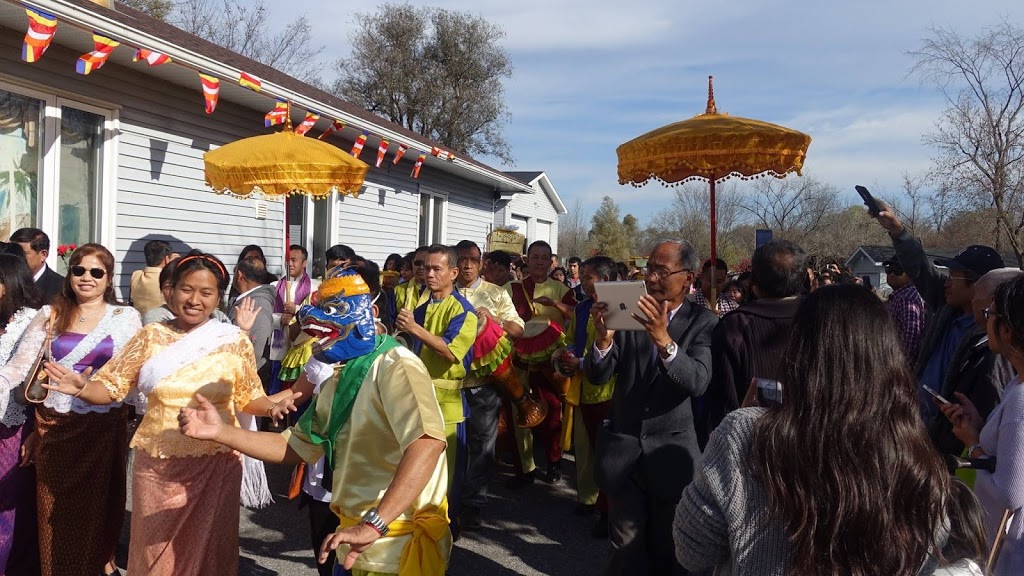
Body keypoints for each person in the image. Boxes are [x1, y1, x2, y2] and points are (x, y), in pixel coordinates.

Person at [675, 284, 985, 576]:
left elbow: (692, 550)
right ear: (888, 357)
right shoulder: (907, 443)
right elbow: (930, 548)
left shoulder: (744, 434)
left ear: (800, 350)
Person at [180, 267, 451, 576]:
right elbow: (296, 445)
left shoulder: (396, 365)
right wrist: (220, 431)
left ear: (372, 312)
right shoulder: (340, 373)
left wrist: (374, 524)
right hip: (353, 539)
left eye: (333, 309)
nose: (312, 318)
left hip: (395, 548)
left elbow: (427, 443)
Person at [42, 251, 296, 575]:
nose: (195, 300)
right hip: (159, 465)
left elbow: (248, 397)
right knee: (156, 556)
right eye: (187, 289)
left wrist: (273, 406)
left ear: (219, 297)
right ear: (171, 291)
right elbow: (111, 387)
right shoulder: (150, 336)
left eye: (206, 293)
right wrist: (82, 387)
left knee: (211, 554)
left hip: (217, 462)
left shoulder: (233, 341)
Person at [0, 244, 141, 576]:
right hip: (54, 429)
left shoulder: (126, 318)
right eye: (79, 270)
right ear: (70, 274)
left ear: (108, 279)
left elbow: (133, 372)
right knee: (53, 517)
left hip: (102, 429)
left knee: (97, 514)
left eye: (97, 272)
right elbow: (21, 366)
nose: (86, 277)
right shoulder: (50, 313)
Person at [586, 240, 717, 576]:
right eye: (649, 269)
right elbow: (599, 375)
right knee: (625, 548)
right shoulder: (629, 309)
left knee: (669, 548)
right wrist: (602, 342)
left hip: (671, 454)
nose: (652, 277)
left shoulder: (702, 322)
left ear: (687, 278)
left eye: (662, 270)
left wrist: (664, 341)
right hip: (623, 449)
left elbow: (698, 381)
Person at [873, 202, 1008, 453]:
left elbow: (991, 404)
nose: (946, 282)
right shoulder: (945, 310)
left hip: (951, 446)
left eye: (953, 277)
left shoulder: (994, 340)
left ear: (978, 285)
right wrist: (896, 230)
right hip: (917, 430)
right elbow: (920, 269)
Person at [938, 274, 1024, 575]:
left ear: (1008, 330)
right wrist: (982, 424)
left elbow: (1009, 494)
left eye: (990, 314)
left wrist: (973, 446)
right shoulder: (1016, 383)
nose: (984, 322)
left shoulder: (1021, 399)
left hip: (1013, 553)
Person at [395, 244, 477, 523]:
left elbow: (450, 350)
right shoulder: (419, 305)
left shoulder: (464, 311)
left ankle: (445, 530)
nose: (428, 274)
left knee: (446, 474)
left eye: (436, 269)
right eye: (425, 268)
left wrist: (415, 328)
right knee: (414, 467)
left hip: (446, 405)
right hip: (415, 398)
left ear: (453, 273)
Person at [697, 240, 805, 449]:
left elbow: (724, 403)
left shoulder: (736, 325)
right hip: (792, 440)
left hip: (753, 443)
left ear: (753, 280)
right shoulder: (824, 317)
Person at [452, 240, 525, 532]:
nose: (468, 265)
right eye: (462, 259)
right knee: (452, 445)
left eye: (473, 259)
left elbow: (519, 329)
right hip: (450, 384)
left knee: (482, 446)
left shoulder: (496, 294)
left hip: (484, 385)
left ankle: (473, 504)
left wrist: (496, 320)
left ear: (482, 263)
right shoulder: (443, 293)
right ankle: (448, 500)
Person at [505, 240, 577, 487]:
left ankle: (554, 461)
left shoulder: (561, 289)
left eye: (544, 258)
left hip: (550, 364)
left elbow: (576, 317)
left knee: (554, 413)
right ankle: (525, 469)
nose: (539, 262)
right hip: (519, 361)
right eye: (534, 257)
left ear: (551, 262)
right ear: (527, 259)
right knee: (520, 414)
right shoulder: (511, 288)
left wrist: (556, 305)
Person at [557, 255, 618, 538]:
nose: (582, 282)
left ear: (604, 281)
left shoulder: (619, 308)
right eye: (581, 278)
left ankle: (609, 510)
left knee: (607, 453)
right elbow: (570, 337)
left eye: (587, 278)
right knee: (583, 447)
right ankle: (587, 498)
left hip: (608, 391)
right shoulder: (582, 308)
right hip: (581, 388)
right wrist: (567, 353)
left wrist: (581, 363)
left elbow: (617, 355)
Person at [0, 248, 43, 574]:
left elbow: (21, 372)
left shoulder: (35, 318)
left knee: (8, 504)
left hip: (14, 427)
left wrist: (37, 433)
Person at [271, 245, 321, 395]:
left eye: (294, 260)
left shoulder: (315, 287)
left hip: (302, 346)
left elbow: (318, 315)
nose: (290, 264)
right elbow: (267, 316)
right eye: (288, 260)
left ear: (304, 263)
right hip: (279, 345)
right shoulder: (274, 286)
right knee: (277, 387)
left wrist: (297, 311)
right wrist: (280, 319)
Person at [232, 257, 277, 388]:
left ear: (240, 275)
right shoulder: (248, 300)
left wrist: (244, 379)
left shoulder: (256, 303)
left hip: (248, 382)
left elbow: (257, 347)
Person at [884, 257, 926, 364]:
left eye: (898, 270)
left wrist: (901, 365)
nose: (892, 274)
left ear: (910, 274)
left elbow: (912, 336)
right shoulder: (899, 296)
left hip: (899, 364)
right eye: (889, 270)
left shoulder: (906, 298)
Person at [10, 228, 63, 304]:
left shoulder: (60, 288)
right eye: (12, 253)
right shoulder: (6, 281)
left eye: (22, 254)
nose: (16, 257)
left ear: (43, 255)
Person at [130, 239, 175, 315]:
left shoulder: (136, 275)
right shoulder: (168, 279)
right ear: (167, 259)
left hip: (140, 320)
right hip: (162, 322)